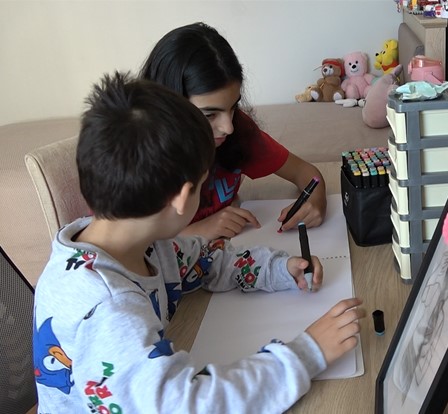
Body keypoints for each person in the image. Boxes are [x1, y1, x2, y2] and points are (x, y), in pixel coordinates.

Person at [32, 72, 364, 412]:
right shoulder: (110, 311)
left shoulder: (133, 241)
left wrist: (278, 269)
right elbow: (192, 405)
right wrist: (307, 354)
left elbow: (205, 260)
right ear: (183, 197)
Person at [140, 22, 327, 240]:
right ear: (168, 110)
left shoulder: (239, 129)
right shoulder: (137, 158)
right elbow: (124, 243)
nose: (228, 127)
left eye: (233, 107)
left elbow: (305, 172)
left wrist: (316, 202)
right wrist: (199, 230)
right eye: (209, 115)